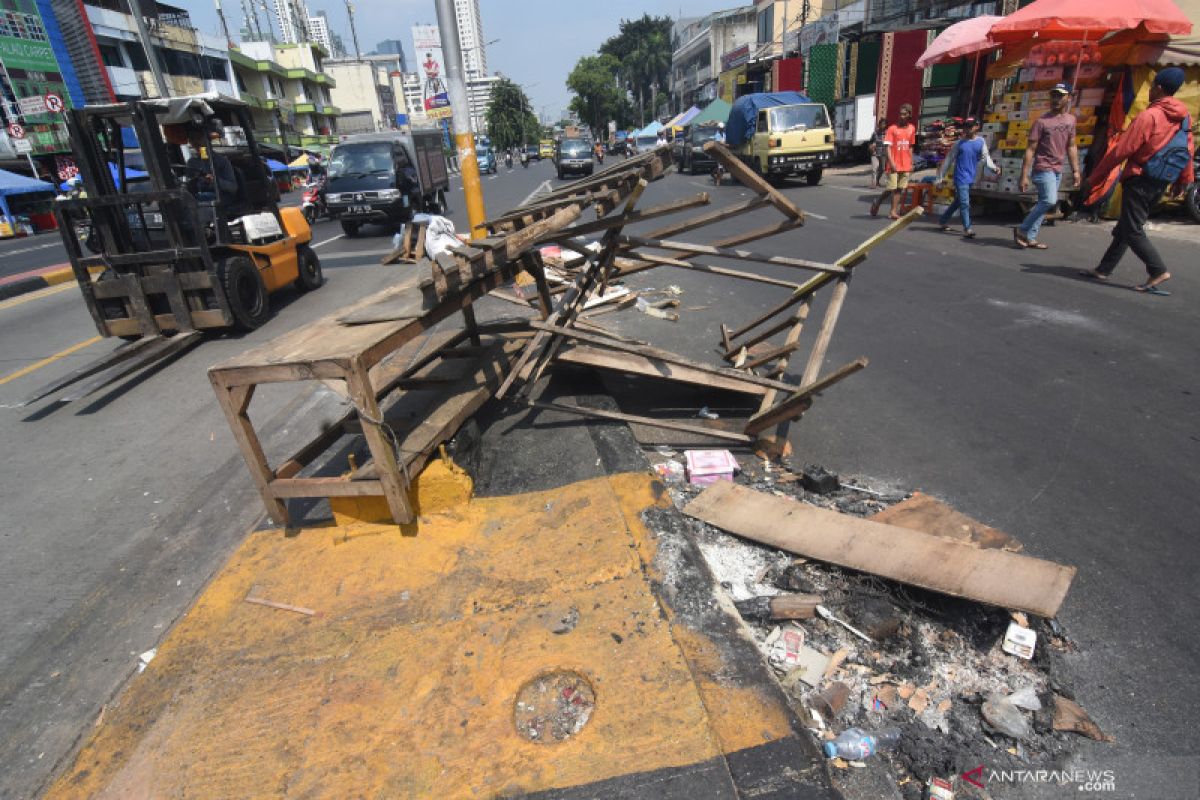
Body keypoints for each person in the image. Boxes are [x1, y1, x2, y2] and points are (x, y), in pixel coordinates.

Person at [1079, 67, 1193, 294]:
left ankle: (1157, 269)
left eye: (1152, 87)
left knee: (1132, 229)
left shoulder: (1150, 116)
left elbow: (1121, 150)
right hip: (1161, 180)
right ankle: (1104, 268)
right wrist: (1183, 179)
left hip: (1140, 177)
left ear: (1158, 88)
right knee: (1126, 226)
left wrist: (1094, 178)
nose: (1150, 91)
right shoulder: (1184, 117)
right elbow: (1187, 149)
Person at [1014, 83, 1079, 249]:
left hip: (1057, 168)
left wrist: (1076, 170)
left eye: (1060, 95)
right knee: (1049, 200)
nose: (1056, 99)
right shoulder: (1041, 122)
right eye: (1054, 95)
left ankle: (1031, 237)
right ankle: (1022, 230)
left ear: (1068, 98)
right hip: (1043, 167)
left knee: (1045, 202)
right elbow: (1030, 149)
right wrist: (1024, 175)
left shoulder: (1071, 120)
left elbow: (1071, 146)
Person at [936, 118, 1000, 239]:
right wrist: (940, 177)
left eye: (970, 126)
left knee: (959, 202)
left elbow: (986, 157)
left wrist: (993, 167)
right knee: (965, 203)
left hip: (971, 176)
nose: (967, 129)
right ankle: (967, 228)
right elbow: (949, 160)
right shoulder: (959, 144)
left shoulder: (981, 142)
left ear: (976, 127)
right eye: (966, 126)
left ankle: (943, 220)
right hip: (960, 177)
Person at [870, 104, 916, 219]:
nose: (901, 116)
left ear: (909, 115)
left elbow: (910, 146)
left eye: (904, 114)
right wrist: (891, 163)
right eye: (900, 114)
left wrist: (911, 163)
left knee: (899, 189)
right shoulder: (892, 129)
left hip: (905, 164)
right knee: (891, 188)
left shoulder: (912, 129)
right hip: (894, 164)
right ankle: (878, 202)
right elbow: (888, 148)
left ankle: (893, 211)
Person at [185, 128, 238, 202]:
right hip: (200, 196)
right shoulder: (192, 163)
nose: (195, 142)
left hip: (221, 196)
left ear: (207, 139)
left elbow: (233, 187)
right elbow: (189, 185)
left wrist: (214, 181)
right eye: (192, 139)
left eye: (198, 138)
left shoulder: (222, 161)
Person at [867, 118, 888, 189]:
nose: (882, 125)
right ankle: (874, 183)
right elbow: (870, 142)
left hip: (883, 153)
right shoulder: (875, 133)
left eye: (884, 124)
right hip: (875, 153)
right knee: (874, 168)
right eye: (881, 124)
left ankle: (878, 180)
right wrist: (871, 147)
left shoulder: (887, 133)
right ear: (879, 125)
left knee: (882, 169)